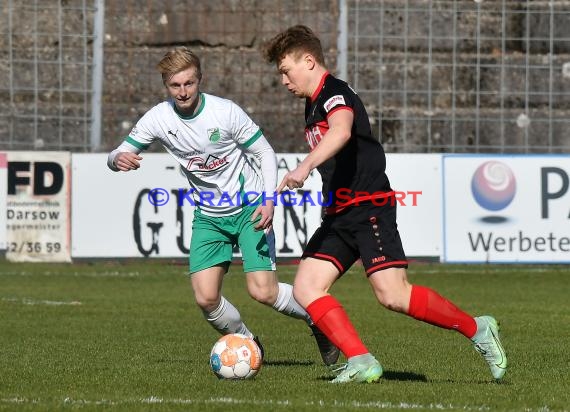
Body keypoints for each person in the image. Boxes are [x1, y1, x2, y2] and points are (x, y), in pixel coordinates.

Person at [262, 25, 507, 383]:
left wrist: (305, 164)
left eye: (286, 70)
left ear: (309, 61)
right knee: (306, 288)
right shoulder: (311, 102)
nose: (283, 80)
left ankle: (478, 329)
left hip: (368, 206)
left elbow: (342, 130)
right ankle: (361, 361)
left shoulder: (334, 93)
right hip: (339, 213)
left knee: (393, 296)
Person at [107, 46, 339, 366]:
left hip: (249, 207)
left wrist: (269, 200)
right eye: (175, 86)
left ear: (200, 79)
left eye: (189, 83)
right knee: (205, 298)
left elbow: (264, 153)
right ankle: (246, 342)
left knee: (263, 292)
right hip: (209, 217)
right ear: (166, 86)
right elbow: (116, 154)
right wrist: (117, 159)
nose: (183, 91)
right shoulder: (158, 118)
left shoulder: (225, 111)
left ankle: (319, 322)